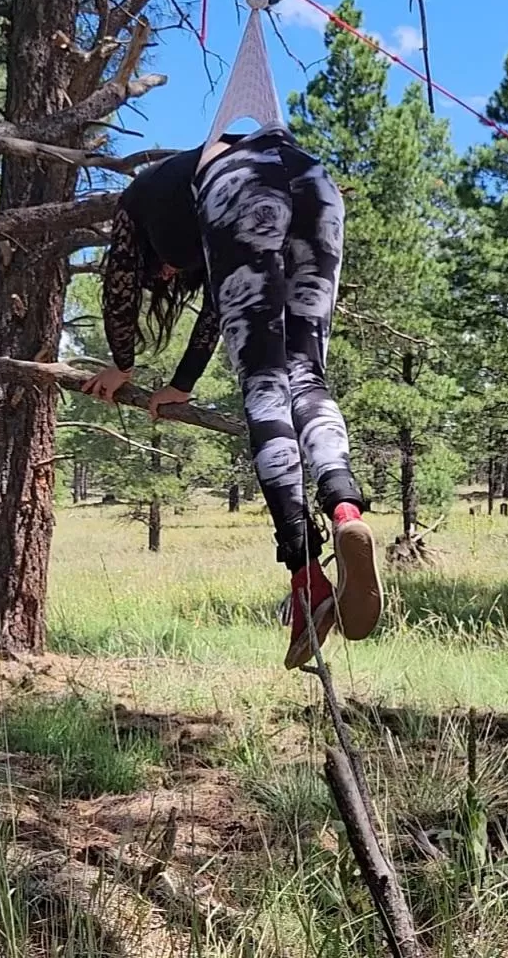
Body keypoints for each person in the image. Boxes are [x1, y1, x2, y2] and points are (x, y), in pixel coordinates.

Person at [84, 121, 383, 669]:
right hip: (318, 187)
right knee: (306, 376)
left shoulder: (144, 197)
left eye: (166, 274)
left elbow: (119, 277)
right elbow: (222, 308)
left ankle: (305, 578)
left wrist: (121, 364)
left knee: (266, 386)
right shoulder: (209, 177)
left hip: (248, 189)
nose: (169, 276)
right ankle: (345, 512)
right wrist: (182, 384)